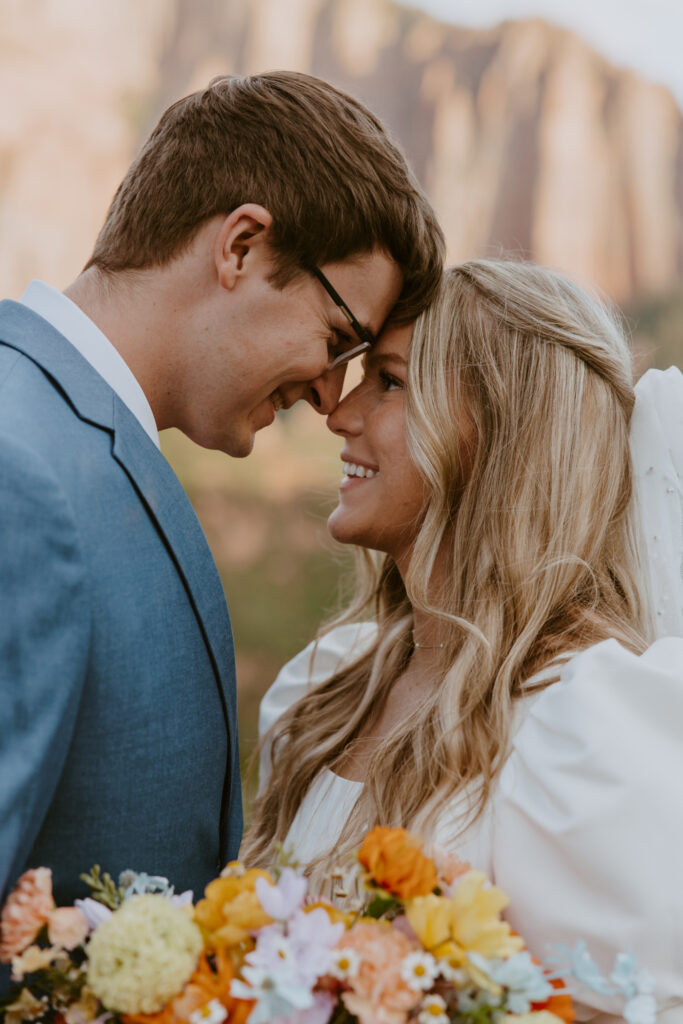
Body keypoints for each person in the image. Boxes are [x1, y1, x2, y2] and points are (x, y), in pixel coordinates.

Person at [0, 71, 444, 914]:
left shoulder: (80, 443)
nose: (328, 395)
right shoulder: (19, 468)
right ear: (240, 247)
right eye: (338, 339)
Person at [245, 260, 683, 1021]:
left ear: (494, 436)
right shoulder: (325, 689)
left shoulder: (582, 737)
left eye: (388, 381)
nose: (339, 413)